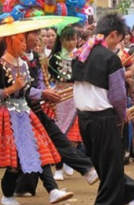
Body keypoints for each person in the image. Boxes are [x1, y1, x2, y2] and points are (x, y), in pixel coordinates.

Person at [0, 33, 73, 205]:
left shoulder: (24, 63)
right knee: (15, 162)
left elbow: (28, 90)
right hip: (6, 117)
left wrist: (38, 93)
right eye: (21, 41)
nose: (25, 45)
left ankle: (52, 190)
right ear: (9, 41)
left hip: (24, 113)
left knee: (39, 149)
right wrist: (12, 88)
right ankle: (8, 195)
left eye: (25, 41)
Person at [14, 30, 98, 197]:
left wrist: (47, 93)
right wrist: (42, 94)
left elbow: (38, 82)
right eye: (35, 35)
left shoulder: (35, 57)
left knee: (51, 139)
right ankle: (43, 186)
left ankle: (25, 186)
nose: (38, 38)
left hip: (35, 107)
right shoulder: (13, 60)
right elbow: (18, 88)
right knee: (35, 146)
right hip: (18, 110)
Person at [72, 13, 134, 205]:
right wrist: (122, 115)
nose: (119, 45)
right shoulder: (110, 59)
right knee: (111, 167)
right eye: (120, 40)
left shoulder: (80, 54)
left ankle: (130, 192)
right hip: (103, 118)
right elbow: (118, 96)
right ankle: (128, 193)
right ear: (113, 34)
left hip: (84, 118)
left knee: (103, 165)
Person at [48, 26, 82, 181]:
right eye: (68, 39)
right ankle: (59, 167)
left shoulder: (81, 55)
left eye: (74, 39)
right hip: (61, 97)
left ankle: (68, 159)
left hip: (76, 96)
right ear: (61, 40)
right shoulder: (54, 58)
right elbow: (52, 76)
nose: (71, 43)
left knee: (74, 135)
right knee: (60, 133)